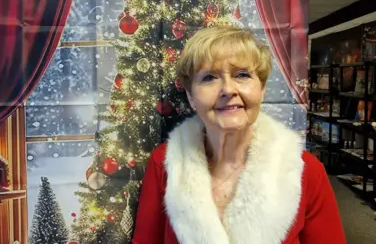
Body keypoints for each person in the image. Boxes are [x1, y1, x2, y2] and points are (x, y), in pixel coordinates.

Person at [132, 26, 346, 244]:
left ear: (261, 89)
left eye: (242, 75)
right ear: (191, 97)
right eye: (209, 78)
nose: (228, 89)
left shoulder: (307, 171)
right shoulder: (164, 163)